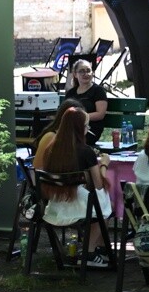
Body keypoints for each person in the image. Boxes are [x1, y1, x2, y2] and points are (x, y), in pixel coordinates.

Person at [34, 106, 112, 266]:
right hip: (77, 207)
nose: (88, 129)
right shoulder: (86, 151)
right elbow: (98, 185)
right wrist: (104, 164)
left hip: (55, 206)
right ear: (79, 128)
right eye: (86, 125)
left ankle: (95, 249)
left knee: (99, 203)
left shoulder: (51, 149)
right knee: (104, 202)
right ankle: (89, 252)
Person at [64, 59, 108, 146]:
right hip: (72, 128)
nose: (86, 74)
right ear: (75, 74)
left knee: (67, 139)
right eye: (82, 71)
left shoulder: (98, 91)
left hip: (90, 129)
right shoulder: (71, 93)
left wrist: (79, 117)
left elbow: (100, 114)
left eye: (88, 70)